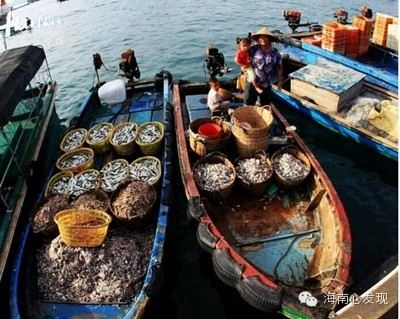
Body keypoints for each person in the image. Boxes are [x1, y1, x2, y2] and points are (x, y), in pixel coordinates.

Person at [244, 27, 283, 106]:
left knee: (265, 104)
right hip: (252, 82)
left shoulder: (275, 52)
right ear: (258, 39)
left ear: (269, 39)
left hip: (266, 83)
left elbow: (279, 67)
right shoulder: (253, 49)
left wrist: (280, 81)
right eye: (260, 37)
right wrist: (243, 67)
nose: (262, 39)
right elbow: (242, 57)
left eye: (265, 37)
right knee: (248, 103)